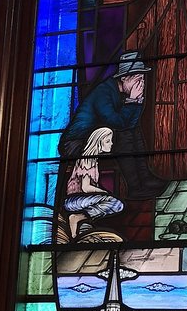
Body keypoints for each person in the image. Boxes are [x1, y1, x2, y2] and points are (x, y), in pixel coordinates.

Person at [58, 51, 167, 199]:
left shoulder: (124, 94)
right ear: (124, 78)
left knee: (134, 132)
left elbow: (132, 123)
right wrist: (132, 102)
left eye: (142, 79)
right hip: (75, 143)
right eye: (138, 79)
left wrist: (135, 102)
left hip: (100, 139)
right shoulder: (103, 93)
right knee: (122, 135)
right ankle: (135, 187)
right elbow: (117, 123)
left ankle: (145, 178)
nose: (141, 84)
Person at [63, 127, 124, 238]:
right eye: (108, 141)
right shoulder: (87, 160)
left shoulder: (92, 159)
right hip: (75, 200)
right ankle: (78, 218)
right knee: (115, 203)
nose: (111, 144)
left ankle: (79, 227)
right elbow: (85, 187)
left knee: (116, 204)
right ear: (98, 142)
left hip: (81, 200)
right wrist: (105, 193)